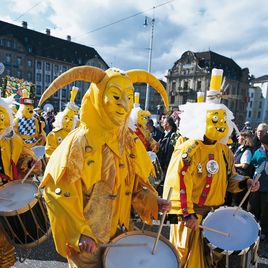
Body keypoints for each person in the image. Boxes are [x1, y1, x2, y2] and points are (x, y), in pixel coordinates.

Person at [38, 66, 172, 268]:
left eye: (128, 97)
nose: (124, 105)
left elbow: (134, 185)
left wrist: (153, 200)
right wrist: (79, 232)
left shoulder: (128, 142)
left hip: (120, 237)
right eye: (116, 96)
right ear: (99, 97)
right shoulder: (79, 143)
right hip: (89, 245)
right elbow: (56, 191)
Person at [163, 68, 259, 268]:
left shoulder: (225, 151)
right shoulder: (188, 150)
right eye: (216, 120)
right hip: (187, 217)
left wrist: (245, 182)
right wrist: (186, 214)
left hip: (212, 218)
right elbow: (177, 182)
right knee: (183, 259)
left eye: (223, 120)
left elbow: (230, 178)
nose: (222, 125)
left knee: (209, 262)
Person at [0, 97, 41, 267]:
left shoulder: (14, 140)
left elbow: (25, 155)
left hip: (6, 195)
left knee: (4, 243)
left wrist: (31, 162)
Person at [45, 86, 79, 159]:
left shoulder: (75, 135)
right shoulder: (53, 135)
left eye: (71, 119)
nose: (67, 121)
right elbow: (50, 155)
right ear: (60, 119)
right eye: (66, 118)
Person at [248, 133, 268, 243]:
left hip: (267, 189)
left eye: (265, 145)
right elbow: (253, 164)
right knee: (252, 208)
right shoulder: (258, 152)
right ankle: (251, 228)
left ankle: (264, 231)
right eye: (262, 144)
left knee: (265, 212)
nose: (263, 146)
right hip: (256, 186)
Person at [231, 131, 254, 208]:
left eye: (240, 136)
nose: (237, 137)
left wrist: (233, 165)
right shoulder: (240, 147)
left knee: (238, 202)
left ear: (244, 138)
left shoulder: (247, 150)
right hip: (237, 178)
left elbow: (244, 165)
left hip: (242, 179)